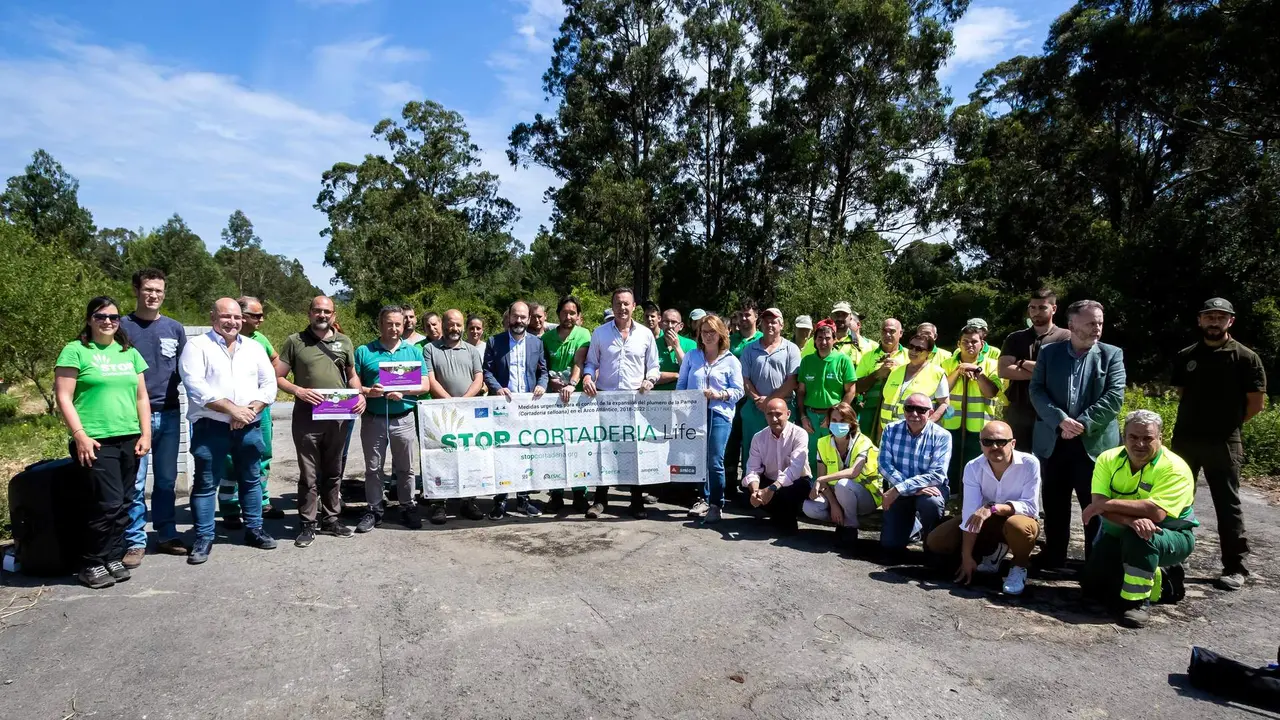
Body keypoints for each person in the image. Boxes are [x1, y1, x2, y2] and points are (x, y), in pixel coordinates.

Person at [54, 297, 151, 589]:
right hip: (95, 441)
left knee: (124, 502)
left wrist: (145, 434)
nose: (108, 321)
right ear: (89, 319)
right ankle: (91, 562)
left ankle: (112, 556)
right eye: (101, 316)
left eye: (113, 317)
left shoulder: (128, 353)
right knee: (105, 504)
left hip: (129, 438)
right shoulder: (76, 351)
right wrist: (80, 435)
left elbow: (141, 397)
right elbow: (63, 397)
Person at [1171, 298, 1267, 591]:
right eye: (1209, 316)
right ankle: (1175, 556)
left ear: (1230, 322)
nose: (1214, 322)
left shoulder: (1246, 357)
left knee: (1228, 505)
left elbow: (1256, 404)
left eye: (1220, 317)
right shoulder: (1186, 354)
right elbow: (1181, 392)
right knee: (1176, 500)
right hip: (1186, 439)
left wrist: (1227, 425)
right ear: (1200, 320)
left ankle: (1235, 566)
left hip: (1224, 441)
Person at [179, 298, 278, 564]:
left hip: (249, 425)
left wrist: (249, 411)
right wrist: (231, 410)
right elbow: (196, 386)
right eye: (226, 316)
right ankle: (204, 537)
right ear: (213, 317)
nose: (232, 322)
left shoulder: (254, 348)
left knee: (251, 479)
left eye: (236, 317)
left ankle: (254, 529)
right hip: (211, 427)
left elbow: (269, 384)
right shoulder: (197, 346)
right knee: (205, 484)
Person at [1029, 299, 1126, 570]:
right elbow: (1036, 391)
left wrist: (1082, 423)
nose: (1097, 328)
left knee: (1094, 504)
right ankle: (1054, 555)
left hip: (1092, 444)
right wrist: (1060, 420)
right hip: (1054, 440)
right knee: (1054, 502)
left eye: (1100, 323)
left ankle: (1095, 563)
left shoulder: (1111, 354)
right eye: (1091, 323)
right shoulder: (1049, 353)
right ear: (1072, 325)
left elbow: (1114, 396)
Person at [1081, 411, 1198, 629]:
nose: (1140, 444)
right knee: (1091, 587)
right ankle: (1160, 575)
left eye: (1148, 438)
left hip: (1170, 534)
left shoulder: (1176, 467)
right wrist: (1128, 520)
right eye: (1133, 437)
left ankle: (1137, 602)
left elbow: (1156, 513)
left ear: (1160, 438)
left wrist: (1104, 504)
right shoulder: (1108, 459)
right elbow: (1099, 504)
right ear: (1124, 437)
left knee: (1140, 538)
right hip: (1122, 530)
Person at [275, 296, 366, 547]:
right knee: (309, 472)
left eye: (327, 311)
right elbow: (278, 377)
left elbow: (352, 376)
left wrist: (359, 395)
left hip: (339, 416)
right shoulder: (295, 341)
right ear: (310, 313)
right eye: (318, 311)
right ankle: (307, 523)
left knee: (334, 470)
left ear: (334, 315)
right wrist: (298, 391)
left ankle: (331, 519)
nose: (322, 315)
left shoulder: (344, 342)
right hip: (307, 415)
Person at [119, 268, 186, 565]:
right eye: (148, 289)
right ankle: (135, 540)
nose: (153, 295)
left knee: (166, 480)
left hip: (170, 412)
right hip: (133, 418)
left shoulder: (174, 328)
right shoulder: (120, 327)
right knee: (134, 483)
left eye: (159, 290)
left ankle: (167, 533)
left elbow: (187, 371)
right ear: (136, 290)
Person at [926, 421, 1040, 596]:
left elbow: (1031, 507)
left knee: (1019, 528)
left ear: (1013, 443)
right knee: (937, 541)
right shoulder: (973, 467)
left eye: (1001, 442)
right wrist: (966, 557)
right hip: (985, 520)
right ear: (981, 445)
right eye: (987, 442)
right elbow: (969, 514)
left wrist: (993, 508)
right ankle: (992, 553)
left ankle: (1019, 566)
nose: (994, 447)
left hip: (1018, 518)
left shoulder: (1029, 463)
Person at [578, 287, 660, 519]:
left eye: (626, 304)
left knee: (634, 450)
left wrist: (650, 380)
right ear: (612, 306)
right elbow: (591, 362)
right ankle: (600, 501)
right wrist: (586, 376)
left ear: (634, 306)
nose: (622, 308)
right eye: (618, 303)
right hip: (605, 400)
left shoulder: (645, 334)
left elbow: (653, 366)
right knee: (603, 449)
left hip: (635, 401)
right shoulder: (600, 333)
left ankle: (636, 502)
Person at [353, 305, 427, 533]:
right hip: (374, 419)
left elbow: (424, 385)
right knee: (373, 468)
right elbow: (352, 383)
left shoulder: (413, 352)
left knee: (406, 468)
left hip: (403, 418)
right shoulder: (364, 351)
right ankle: (374, 509)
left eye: (398, 324)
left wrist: (404, 392)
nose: (394, 328)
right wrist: (367, 391)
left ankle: (407, 506)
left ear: (404, 325)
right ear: (380, 325)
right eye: (389, 324)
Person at [217, 296, 285, 527]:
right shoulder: (220, 339)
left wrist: (267, 384)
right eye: (256, 315)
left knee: (262, 453)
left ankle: (261, 501)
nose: (261, 319)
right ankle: (229, 506)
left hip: (260, 408)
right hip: (230, 409)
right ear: (241, 316)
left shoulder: (259, 339)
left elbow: (276, 361)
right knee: (230, 460)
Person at [483, 300, 550, 519]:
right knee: (502, 455)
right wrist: (497, 388)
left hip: (528, 410)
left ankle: (523, 500)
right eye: (515, 316)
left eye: (523, 317)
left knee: (525, 455)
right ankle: (500, 501)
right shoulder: (495, 341)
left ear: (529, 319)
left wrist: (542, 384)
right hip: (503, 409)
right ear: (509, 317)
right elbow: (487, 371)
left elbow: (543, 371)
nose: (519, 321)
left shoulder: (536, 344)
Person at [677, 315, 744, 524]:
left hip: (719, 414)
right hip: (694, 413)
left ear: (721, 334)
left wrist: (720, 395)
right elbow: (681, 384)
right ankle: (703, 499)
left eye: (712, 332)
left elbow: (739, 390)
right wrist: (680, 405)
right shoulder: (691, 356)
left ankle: (717, 503)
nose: (707, 336)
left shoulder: (731, 360)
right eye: (704, 332)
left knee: (715, 460)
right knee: (698, 458)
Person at [423, 309, 487, 524]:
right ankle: (439, 504)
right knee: (441, 458)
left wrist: (464, 401)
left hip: (467, 412)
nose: (455, 328)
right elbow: (430, 379)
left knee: (468, 457)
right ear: (443, 324)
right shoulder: (430, 349)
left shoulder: (471, 350)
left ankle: (468, 501)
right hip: (440, 414)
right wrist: (450, 401)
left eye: (459, 324)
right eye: (451, 324)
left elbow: (478, 378)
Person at [878, 392, 953, 552]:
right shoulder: (891, 429)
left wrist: (899, 488)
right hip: (903, 489)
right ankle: (914, 527)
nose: (914, 414)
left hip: (929, 490)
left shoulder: (942, 436)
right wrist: (911, 488)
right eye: (909, 408)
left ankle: (931, 541)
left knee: (931, 503)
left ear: (931, 413)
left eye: (921, 410)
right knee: (890, 546)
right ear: (903, 410)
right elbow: (884, 464)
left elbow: (937, 474)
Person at [998, 288, 1071, 450]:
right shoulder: (1015, 338)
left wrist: (1022, 362)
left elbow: (1060, 372)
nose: (1036, 312)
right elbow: (1004, 370)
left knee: (1049, 461)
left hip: (1052, 410)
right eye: (1032, 307)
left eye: (1042, 307)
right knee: (1017, 460)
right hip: (1019, 410)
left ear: (1054, 309)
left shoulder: (1065, 338)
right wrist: (1043, 371)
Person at [738, 308, 802, 492]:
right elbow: (744, 379)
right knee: (753, 450)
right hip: (754, 408)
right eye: (766, 321)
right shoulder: (750, 349)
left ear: (782, 325)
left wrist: (770, 402)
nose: (770, 324)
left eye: (774, 321)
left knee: (783, 451)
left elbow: (792, 381)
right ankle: (752, 491)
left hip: (782, 408)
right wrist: (759, 399)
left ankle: (780, 489)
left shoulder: (791, 348)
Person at [801, 403, 880, 547]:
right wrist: (834, 504)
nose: (838, 424)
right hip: (838, 496)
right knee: (809, 507)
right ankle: (840, 520)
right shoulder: (823, 443)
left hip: (866, 497)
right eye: (834, 420)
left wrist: (821, 479)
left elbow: (853, 472)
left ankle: (850, 527)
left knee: (843, 484)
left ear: (851, 423)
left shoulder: (863, 442)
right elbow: (823, 482)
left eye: (843, 421)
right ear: (829, 422)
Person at [545, 296, 593, 514]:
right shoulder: (546, 338)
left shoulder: (583, 334)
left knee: (578, 446)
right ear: (558, 314)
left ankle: (579, 493)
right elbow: (542, 366)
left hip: (575, 399)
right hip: (551, 401)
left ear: (578, 315)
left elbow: (579, 362)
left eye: (573, 312)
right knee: (553, 446)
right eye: (565, 312)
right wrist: (548, 381)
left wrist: (572, 384)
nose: (568, 316)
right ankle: (555, 494)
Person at [941, 321, 1003, 489]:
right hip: (951, 423)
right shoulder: (947, 364)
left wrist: (977, 371)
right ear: (958, 344)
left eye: (974, 341)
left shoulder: (991, 364)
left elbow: (991, 392)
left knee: (975, 465)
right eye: (965, 341)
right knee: (951, 463)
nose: (970, 345)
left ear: (982, 344)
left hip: (980, 426)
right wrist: (959, 370)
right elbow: (942, 390)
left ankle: (972, 496)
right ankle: (951, 497)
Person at [742, 398, 812, 534]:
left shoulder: (800, 434)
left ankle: (785, 517)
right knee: (747, 491)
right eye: (769, 414)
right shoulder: (758, 437)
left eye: (778, 414)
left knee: (787, 492)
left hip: (796, 481)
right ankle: (779, 514)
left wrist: (771, 489)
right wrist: (756, 492)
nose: (774, 419)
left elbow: (794, 470)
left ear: (788, 414)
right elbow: (752, 469)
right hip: (770, 481)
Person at [796, 321, 857, 475]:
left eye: (828, 338)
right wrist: (803, 416)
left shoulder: (843, 360)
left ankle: (832, 490)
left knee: (833, 455)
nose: (823, 342)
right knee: (810, 455)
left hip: (834, 418)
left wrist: (835, 415)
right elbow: (801, 391)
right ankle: (810, 489)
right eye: (820, 338)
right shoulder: (807, 361)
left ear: (834, 340)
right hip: (810, 416)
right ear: (814, 340)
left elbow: (850, 391)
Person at [723, 299, 763, 499]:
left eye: (748, 314)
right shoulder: (731, 340)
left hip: (754, 402)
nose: (744, 319)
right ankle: (728, 483)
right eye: (740, 315)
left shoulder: (763, 339)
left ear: (756, 316)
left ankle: (751, 485)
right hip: (731, 401)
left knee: (751, 445)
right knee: (730, 443)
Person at [877, 333, 950, 442]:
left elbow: (944, 403)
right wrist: (880, 432)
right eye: (911, 346)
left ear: (928, 353)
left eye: (919, 349)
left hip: (916, 435)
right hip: (888, 432)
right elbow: (886, 402)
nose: (913, 351)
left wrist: (927, 424)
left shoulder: (937, 373)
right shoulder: (895, 371)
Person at [855, 318, 908, 441]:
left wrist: (898, 370)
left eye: (892, 331)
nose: (887, 335)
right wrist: (878, 374)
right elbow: (857, 386)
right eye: (884, 331)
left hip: (898, 412)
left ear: (900, 333)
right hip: (871, 411)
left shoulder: (909, 355)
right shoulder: (868, 356)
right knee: (867, 445)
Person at [654, 308, 696, 391]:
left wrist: (677, 347)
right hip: (658, 397)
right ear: (661, 324)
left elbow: (691, 373)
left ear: (681, 326)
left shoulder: (691, 344)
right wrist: (677, 375)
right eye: (666, 322)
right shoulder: (653, 344)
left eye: (673, 322)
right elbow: (649, 376)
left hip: (682, 397)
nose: (669, 326)